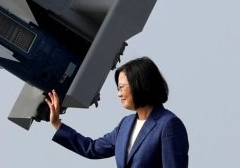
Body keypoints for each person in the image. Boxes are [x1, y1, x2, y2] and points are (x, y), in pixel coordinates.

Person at [45, 56, 189, 167]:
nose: (118, 94)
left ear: (140, 84)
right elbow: (92, 148)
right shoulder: (125, 124)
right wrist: (57, 123)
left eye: (121, 87)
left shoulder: (169, 124)